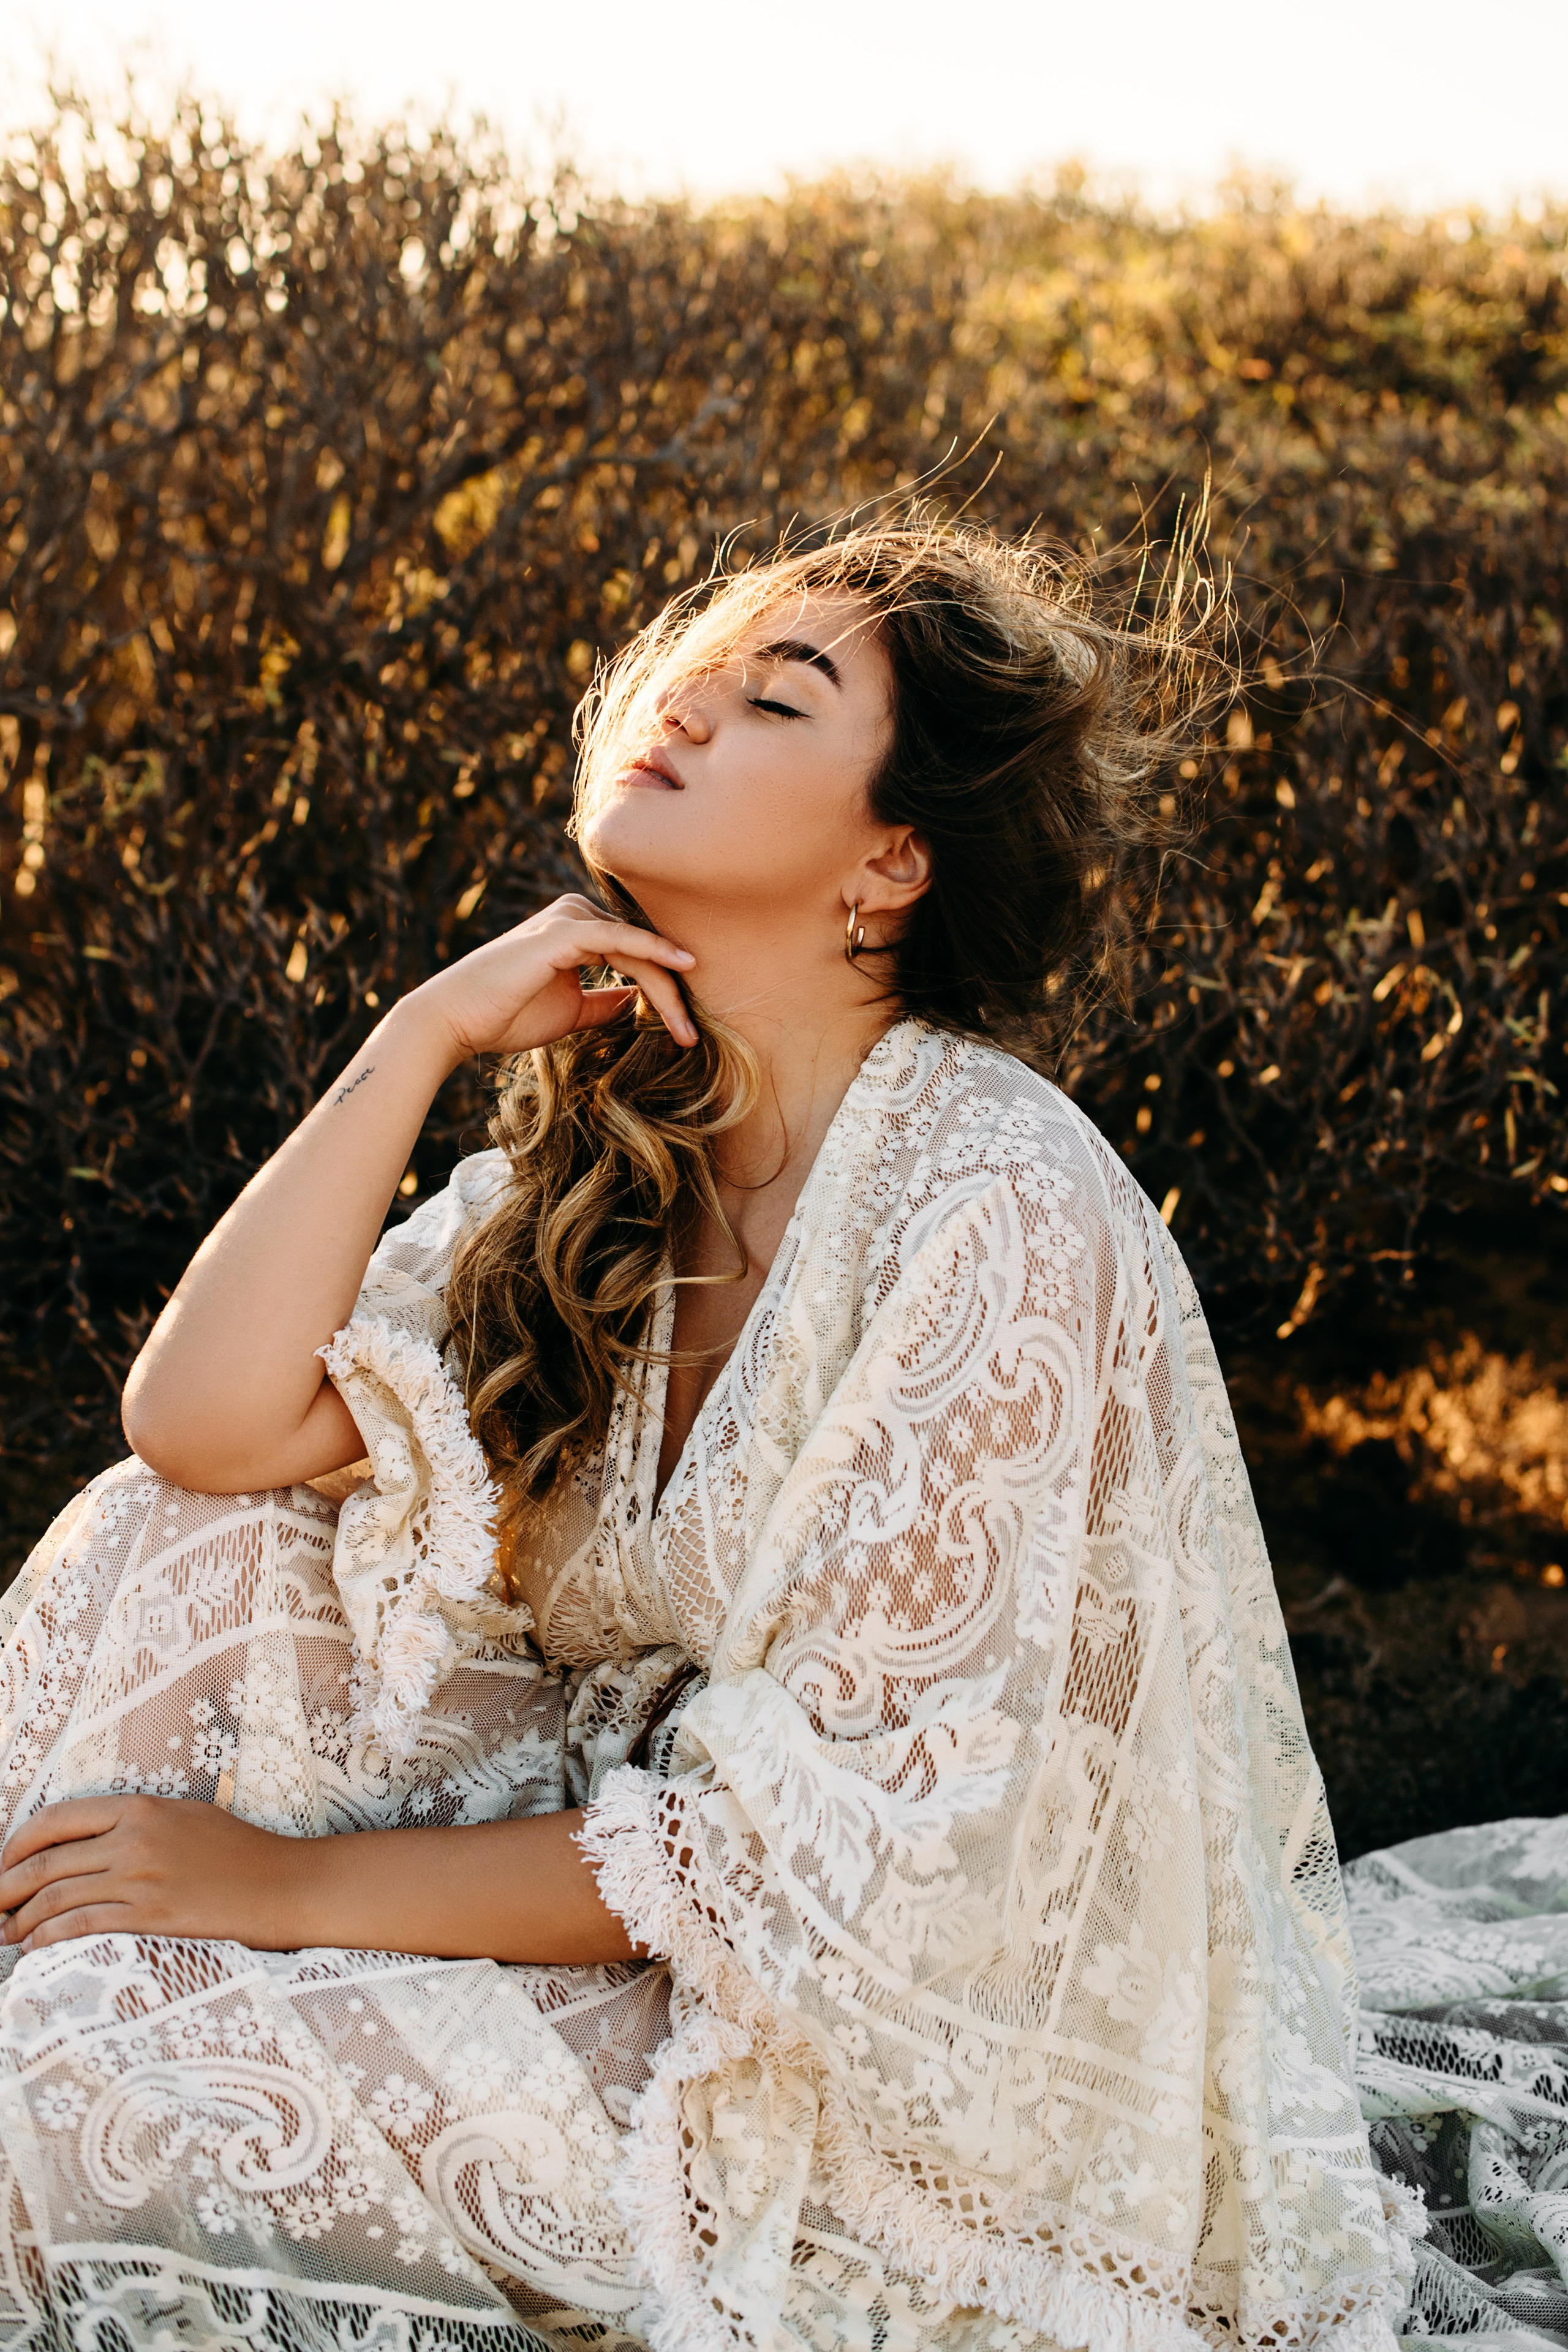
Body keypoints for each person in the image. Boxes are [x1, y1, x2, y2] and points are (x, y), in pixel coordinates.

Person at [0, 522, 1420, 2352]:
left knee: (56, 2103)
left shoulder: (994, 1198)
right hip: (626, 1912)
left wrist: (276, 1896)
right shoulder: (605, 1165)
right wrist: (426, 1033)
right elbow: (197, 1425)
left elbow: (812, 1867)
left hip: (857, 2071)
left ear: (892, 859)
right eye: (694, 670)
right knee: (172, 1548)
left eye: (776, 695)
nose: (681, 702)